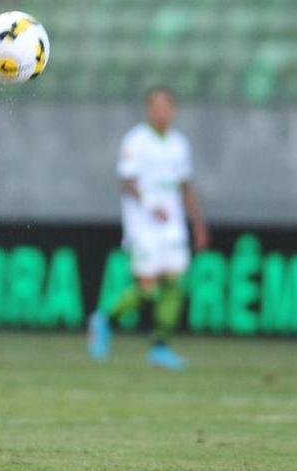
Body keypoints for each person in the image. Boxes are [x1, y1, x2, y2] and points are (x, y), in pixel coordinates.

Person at [87, 86, 209, 371]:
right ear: (148, 110)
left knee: (175, 284)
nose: (161, 112)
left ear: (173, 111)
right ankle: (104, 318)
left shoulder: (179, 144)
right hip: (143, 225)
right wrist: (151, 204)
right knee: (147, 290)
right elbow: (127, 183)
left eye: (166, 107)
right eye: (156, 106)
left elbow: (185, 187)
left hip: (173, 226)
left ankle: (160, 347)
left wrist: (198, 224)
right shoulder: (136, 141)